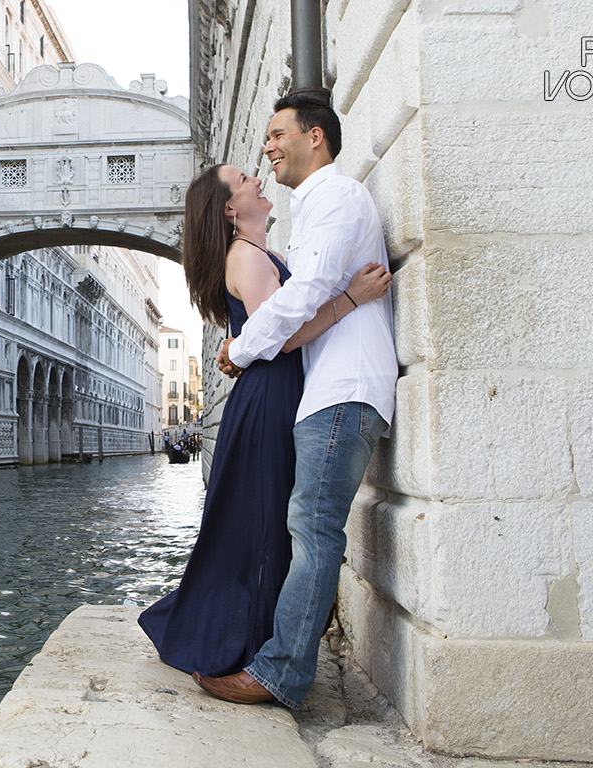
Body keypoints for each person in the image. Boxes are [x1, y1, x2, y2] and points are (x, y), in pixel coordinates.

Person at [138, 156, 390, 680]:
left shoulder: (261, 251)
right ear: (232, 208)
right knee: (263, 521)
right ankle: (246, 643)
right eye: (243, 179)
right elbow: (282, 338)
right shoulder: (246, 257)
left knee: (264, 519)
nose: (257, 177)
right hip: (272, 393)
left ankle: (252, 636)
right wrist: (352, 297)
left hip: (274, 391)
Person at [194, 88, 399, 709]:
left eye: (279, 134)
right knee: (308, 528)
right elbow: (310, 295)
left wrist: (238, 349)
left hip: (342, 392)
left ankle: (278, 672)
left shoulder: (334, 194)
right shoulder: (315, 208)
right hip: (331, 391)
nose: (268, 147)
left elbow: (306, 289)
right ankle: (275, 659)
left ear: (316, 137)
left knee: (310, 530)